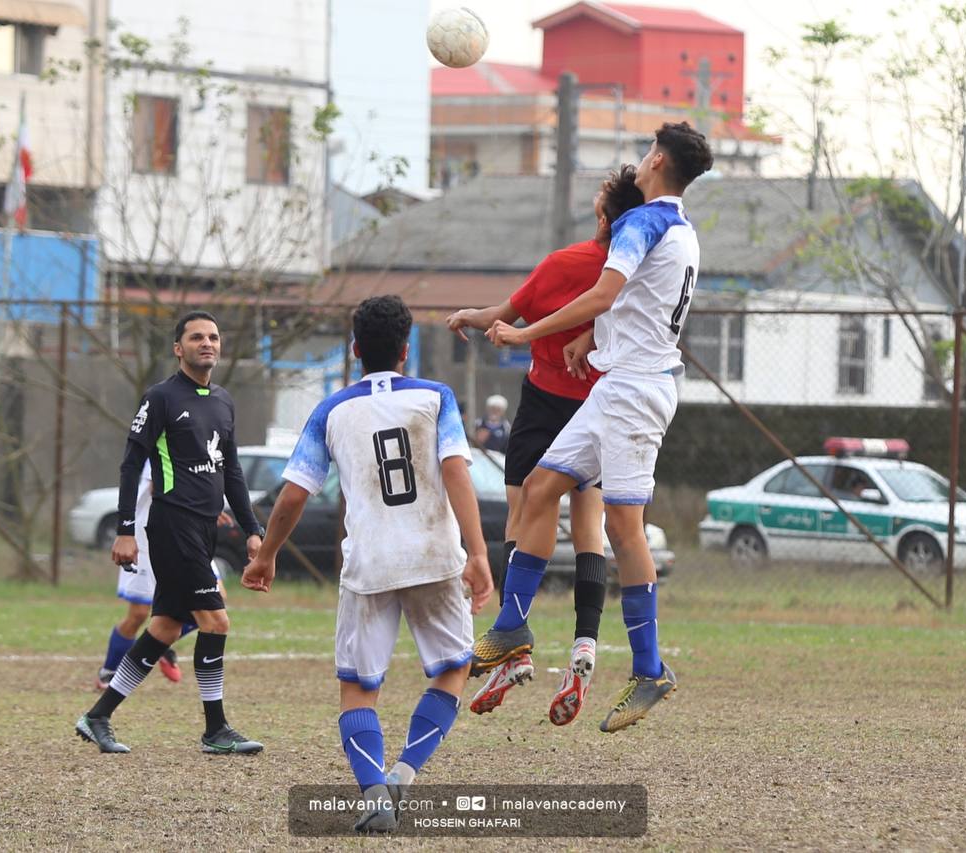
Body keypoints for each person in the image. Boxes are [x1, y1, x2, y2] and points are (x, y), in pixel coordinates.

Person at [478, 122, 713, 733]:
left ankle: (650, 668)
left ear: (657, 159)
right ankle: (510, 628)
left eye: (644, 152)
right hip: (619, 385)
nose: (638, 160)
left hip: (636, 393)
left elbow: (607, 294)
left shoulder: (641, 222)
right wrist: (592, 337)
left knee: (623, 526)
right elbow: (639, 304)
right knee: (540, 488)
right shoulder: (681, 230)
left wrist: (528, 334)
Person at [242, 295, 493, 833]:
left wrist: (266, 556)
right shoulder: (436, 397)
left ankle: (374, 789)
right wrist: (478, 552)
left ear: (355, 349)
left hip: (369, 564)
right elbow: (455, 471)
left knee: (359, 688)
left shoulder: (331, 410)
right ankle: (403, 774)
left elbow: (291, 497)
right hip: (434, 556)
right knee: (453, 668)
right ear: (407, 349)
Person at [445, 165, 645, 725]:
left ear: (603, 217)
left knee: (525, 512)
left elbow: (507, 315)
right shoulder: (634, 273)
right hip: (600, 406)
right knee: (590, 525)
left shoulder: (565, 264)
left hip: (545, 406)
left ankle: (515, 637)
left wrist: (469, 315)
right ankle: (585, 646)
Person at [76, 310, 266, 755]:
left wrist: (252, 528)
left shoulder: (222, 400)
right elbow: (130, 465)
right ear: (179, 348)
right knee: (215, 620)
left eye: (214, 337)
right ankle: (215, 730)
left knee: (163, 627)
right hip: (171, 525)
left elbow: (231, 470)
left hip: (205, 529)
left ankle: (97, 716)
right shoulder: (160, 398)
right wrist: (126, 531)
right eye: (197, 337)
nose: (208, 343)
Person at [94, 461, 230, 691]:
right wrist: (198, 502)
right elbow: (160, 486)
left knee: (218, 598)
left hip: (188, 533)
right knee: (137, 614)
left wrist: (207, 507)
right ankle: (109, 671)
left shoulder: (202, 437)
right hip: (148, 537)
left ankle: (156, 644)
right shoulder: (164, 440)